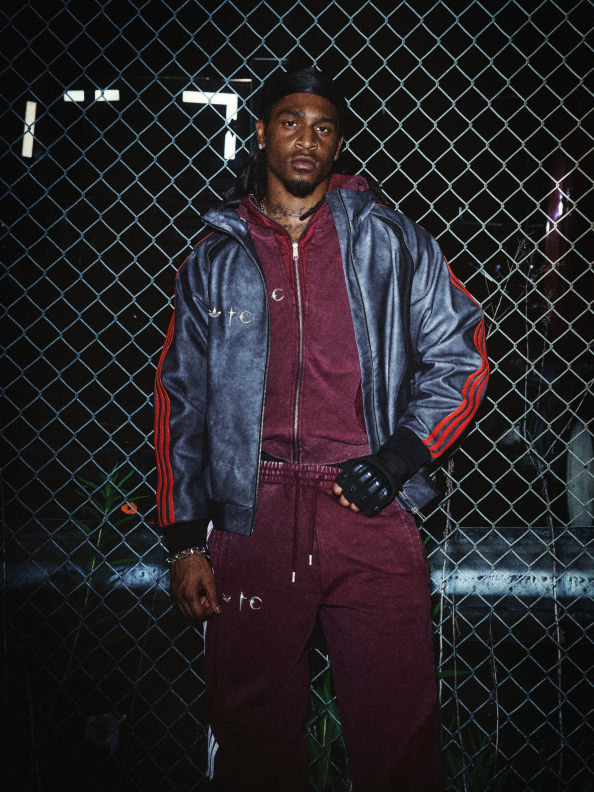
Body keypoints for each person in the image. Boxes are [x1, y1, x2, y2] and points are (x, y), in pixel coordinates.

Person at [154, 67, 488, 792]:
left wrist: (398, 458)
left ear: (339, 144)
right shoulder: (216, 257)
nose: (307, 139)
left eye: (324, 127)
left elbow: (461, 350)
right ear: (261, 132)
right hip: (253, 509)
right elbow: (181, 399)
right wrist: (185, 541)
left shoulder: (390, 239)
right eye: (291, 122)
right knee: (251, 726)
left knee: (398, 724)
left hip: (365, 500)